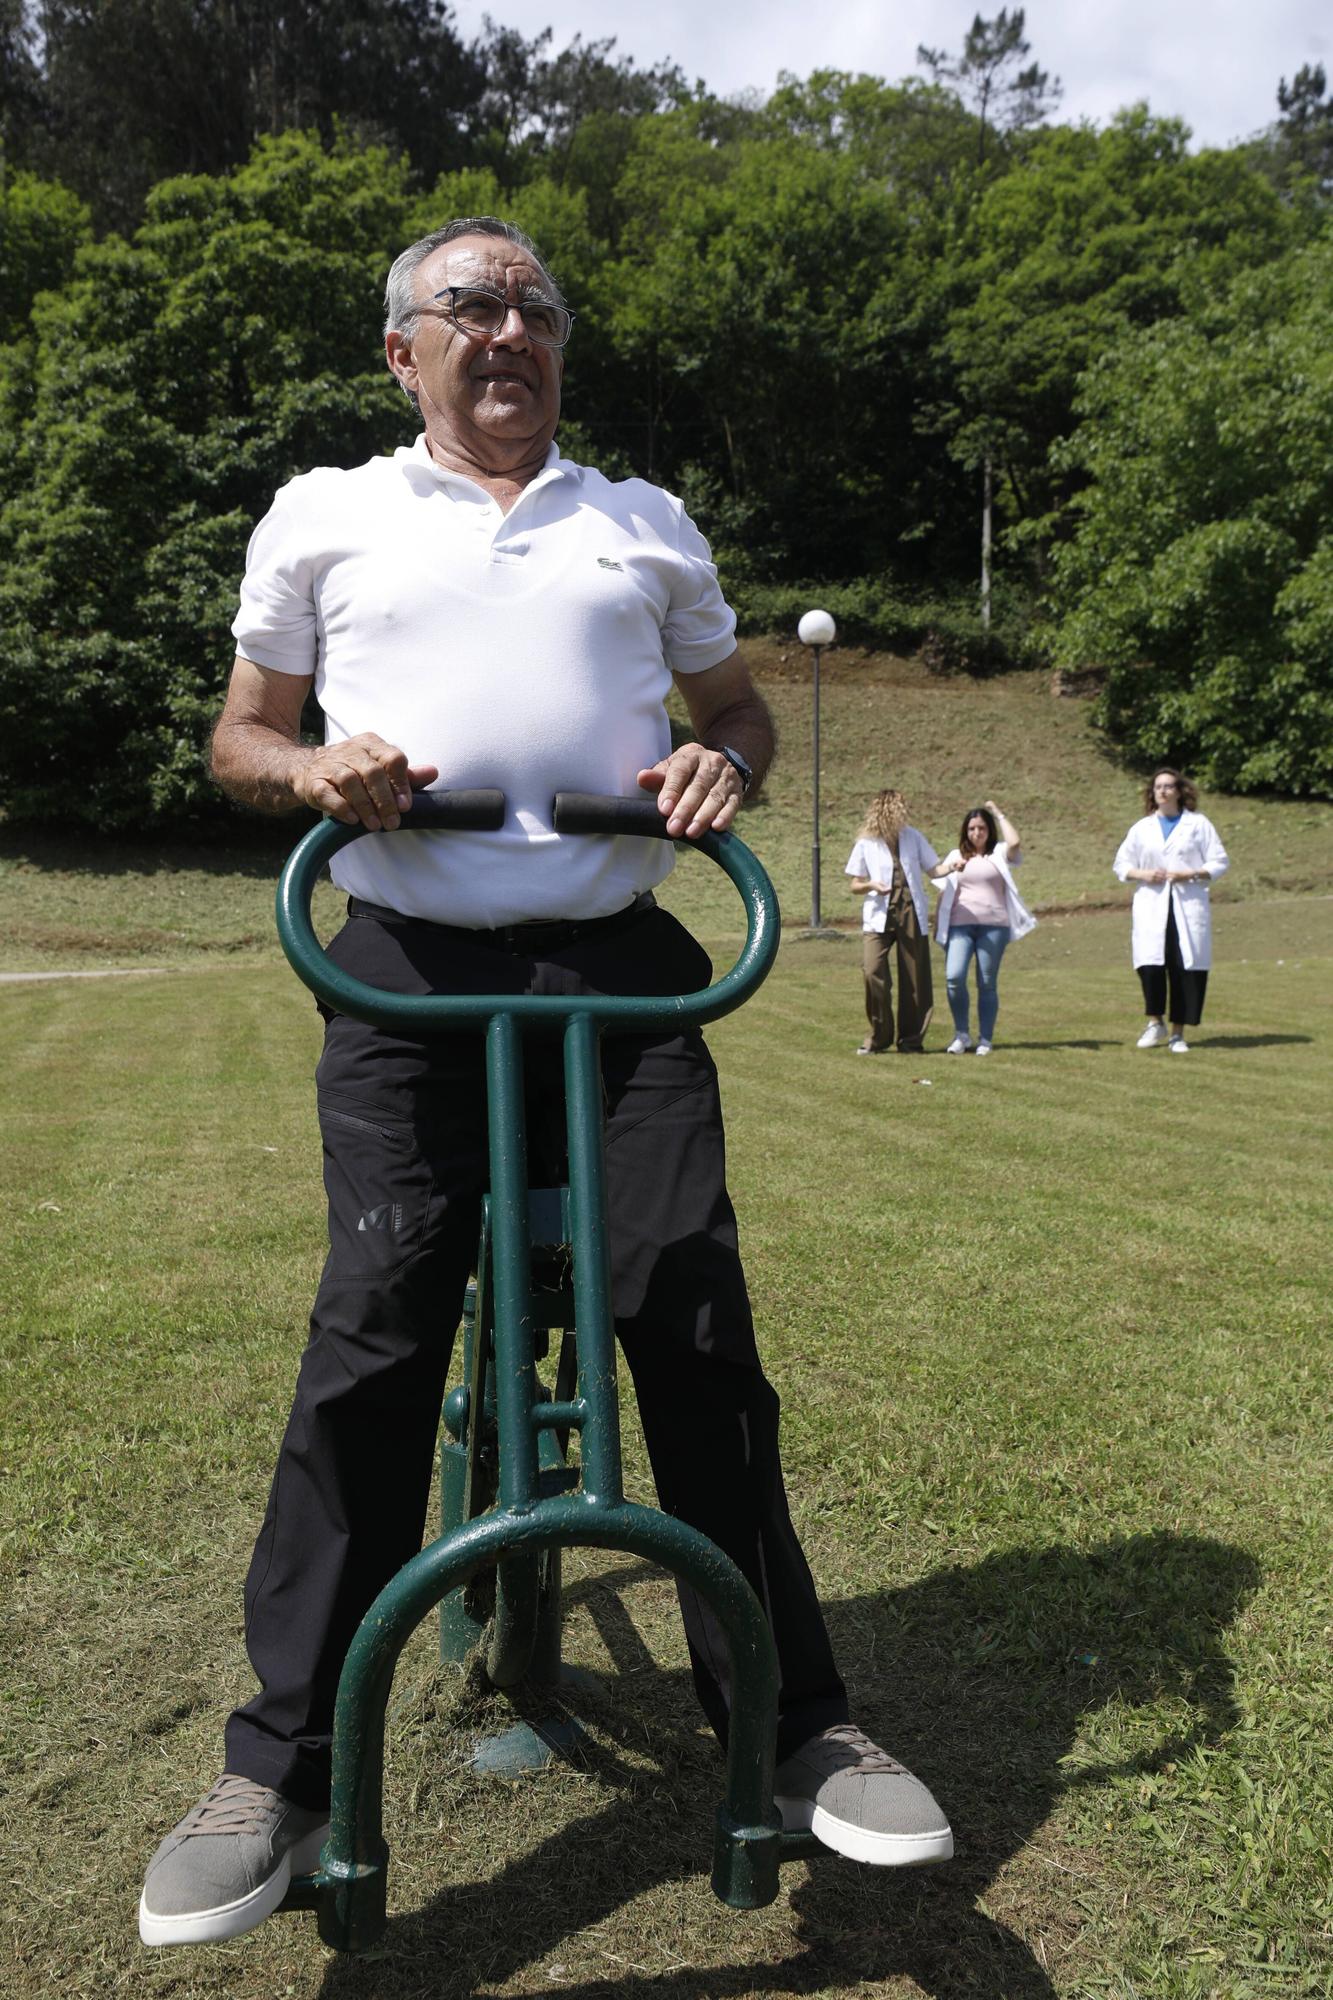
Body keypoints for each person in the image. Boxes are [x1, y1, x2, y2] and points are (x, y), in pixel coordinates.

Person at [138, 217, 952, 1949]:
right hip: (405, 968)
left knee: (687, 1307)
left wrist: (712, 764)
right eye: (469, 307)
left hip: (615, 965)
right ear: (401, 352)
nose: (506, 329)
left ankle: (799, 1723)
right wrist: (315, 767)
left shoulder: (637, 521)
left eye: (534, 309)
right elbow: (236, 737)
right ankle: (274, 1769)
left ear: (559, 349)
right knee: (377, 1316)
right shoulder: (325, 513)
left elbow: (738, 709)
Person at [1112, 768, 1228, 1052]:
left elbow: (1219, 861)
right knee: (1150, 965)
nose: (1163, 791)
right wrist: (1143, 874)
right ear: (1153, 794)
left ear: (1179, 791)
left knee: (1184, 966)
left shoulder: (1198, 825)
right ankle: (1155, 1022)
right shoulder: (1142, 828)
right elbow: (1121, 865)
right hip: (1152, 905)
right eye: (1158, 787)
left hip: (1187, 905)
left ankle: (1178, 1033)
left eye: (1168, 786)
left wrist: (1191, 874)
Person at [931, 801, 1035, 1055]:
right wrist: (936, 923)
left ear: (989, 830)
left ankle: (985, 1039)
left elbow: (1015, 843)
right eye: (971, 829)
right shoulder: (956, 856)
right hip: (959, 925)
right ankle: (961, 1035)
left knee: (986, 982)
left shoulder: (999, 852)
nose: (976, 833)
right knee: (954, 977)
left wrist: (998, 813)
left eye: (982, 828)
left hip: (993, 926)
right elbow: (942, 890)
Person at [844, 789, 938, 1053]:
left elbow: (934, 868)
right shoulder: (866, 842)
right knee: (873, 971)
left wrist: (954, 866)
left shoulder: (913, 837)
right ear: (885, 813)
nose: (902, 816)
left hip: (910, 910)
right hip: (879, 913)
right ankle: (879, 1037)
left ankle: (911, 1041)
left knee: (915, 978)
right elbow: (854, 884)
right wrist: (871, 885)